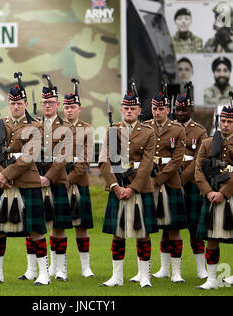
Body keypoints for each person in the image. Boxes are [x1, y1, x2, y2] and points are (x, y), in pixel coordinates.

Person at [0, 73, 50, 285]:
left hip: (27, 182)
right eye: (12, 103)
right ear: (8, 103)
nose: (15, 107)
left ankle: (44, 274)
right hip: (2, 183)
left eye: (19, 103)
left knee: (35, 230)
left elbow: (29, 156)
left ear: (26, 103)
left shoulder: (37, 126)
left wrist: (6, 175)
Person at [99, 91, 158, 288]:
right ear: (122, 110)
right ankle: (116, 277)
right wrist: (115, 186)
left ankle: (145, 276)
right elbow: (104, 160)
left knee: (143, 234)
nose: (129, 111)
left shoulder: (148, 132)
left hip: (140, 188)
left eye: (133, 108)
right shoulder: (113, 131)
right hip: (118, 187)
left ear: (139, 111)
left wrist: (132, 188)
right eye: (126, 108)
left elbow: (148, 164)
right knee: (118, 233)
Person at [194, 101, 233, 291]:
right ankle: (212, 279)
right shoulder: (207, 143)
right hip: (211, 196)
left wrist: (223, 193)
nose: (226, 124)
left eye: (229, 121)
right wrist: (209, 192)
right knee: (211, 239)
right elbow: (198, 172)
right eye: (223, 121)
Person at [144, 91, 187, 283]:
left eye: (161, 109)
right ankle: (160, 269)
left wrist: (159, 179)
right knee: (146, 228)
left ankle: (176, 271)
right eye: (154, 108)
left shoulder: (177, 129)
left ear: (168, 109)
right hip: (147, 182)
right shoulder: (145, 127)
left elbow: (177, 160)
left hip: (170, 182)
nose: (157, 112)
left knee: (173, 228)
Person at [38, 75, 73, 282]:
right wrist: (38, 176)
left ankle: (61, 268)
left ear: (57, 104)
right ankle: (45, 268)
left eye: (51, 102)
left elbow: (63, 156)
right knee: (41, 226)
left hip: (57, 180)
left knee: (58, 227)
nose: (47, 106)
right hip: (37, 180)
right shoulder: (34, 126)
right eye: (44, 103)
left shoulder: (66, 127)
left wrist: (49, 177)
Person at [174, 83, 209, 280]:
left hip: (192, 183)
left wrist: (181, 178)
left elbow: (199, 159)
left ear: (191, 109)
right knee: (171, 226)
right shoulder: (169, 129)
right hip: (172, 182)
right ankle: (167, 268)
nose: (180, 112)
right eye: (178, 109)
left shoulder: (200, 131)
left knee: (195, 228)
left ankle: (201, 268)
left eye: (184, 109)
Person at [62, 79, 95, 278]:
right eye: (66, 107)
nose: (69, 110)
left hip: (78, 181)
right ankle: (59, 268)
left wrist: (69, 179)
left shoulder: (87, 129)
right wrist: (60, 179)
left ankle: (86, 267)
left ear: (79, 108)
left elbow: (85, 159)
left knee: (81, 227)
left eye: (72, 107)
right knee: (58, 226)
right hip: (59, 181)